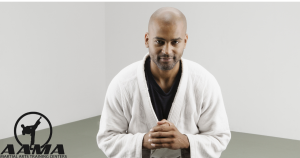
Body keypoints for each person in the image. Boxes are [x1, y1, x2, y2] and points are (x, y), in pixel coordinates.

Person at [97, 7, 231, 158]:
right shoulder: (122, 84)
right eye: (159, 41)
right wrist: (142, 142)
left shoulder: (205, 83)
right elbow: (107, 139)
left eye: (175, 42)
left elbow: (219, 137)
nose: (167, 50)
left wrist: (186, 142)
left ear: (185, 41)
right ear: (147, 40)